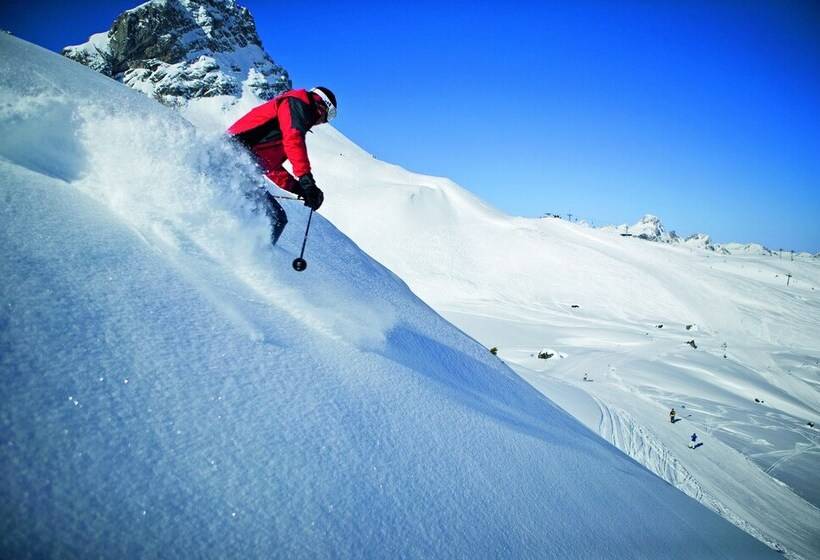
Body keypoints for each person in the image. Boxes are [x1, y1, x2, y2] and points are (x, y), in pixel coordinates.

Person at [227, 86, 337, 244]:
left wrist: (299, 189)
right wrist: (307, 181)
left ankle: (246, 253)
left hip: (238, 164)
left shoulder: (290, 117)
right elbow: (294, 140)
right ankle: (249, 257)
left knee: (275, 219)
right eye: (330, 116)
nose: (324, 122)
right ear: (322, 106)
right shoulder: (297, 104)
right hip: (233, 158)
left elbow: (270, 166)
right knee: (273, 219)